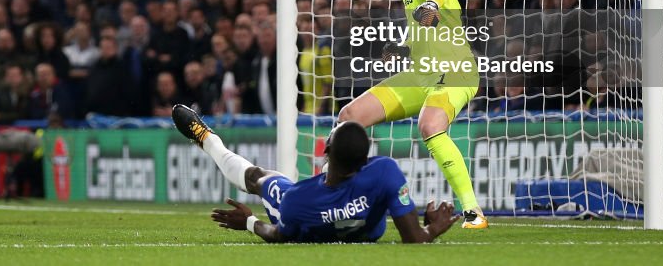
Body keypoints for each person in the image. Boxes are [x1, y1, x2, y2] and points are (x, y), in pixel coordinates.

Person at [337, 0, 486, 229]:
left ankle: (473, 212)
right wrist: (402, 48)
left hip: (453, 70)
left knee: (430, 124)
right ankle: (338, 199)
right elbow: (424, 25)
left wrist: (431, 4)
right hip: (423, 73)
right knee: (350, 117)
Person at [172, 105, 457, 243]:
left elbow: (278, 235)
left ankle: (208, 140)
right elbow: (415, 238)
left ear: (326, 150)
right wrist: (433, 227)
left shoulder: (297, 200)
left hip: (313, 203)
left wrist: (248, 221)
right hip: (364, 225)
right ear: (364, 160)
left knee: (256, 178)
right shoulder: (384, 172)